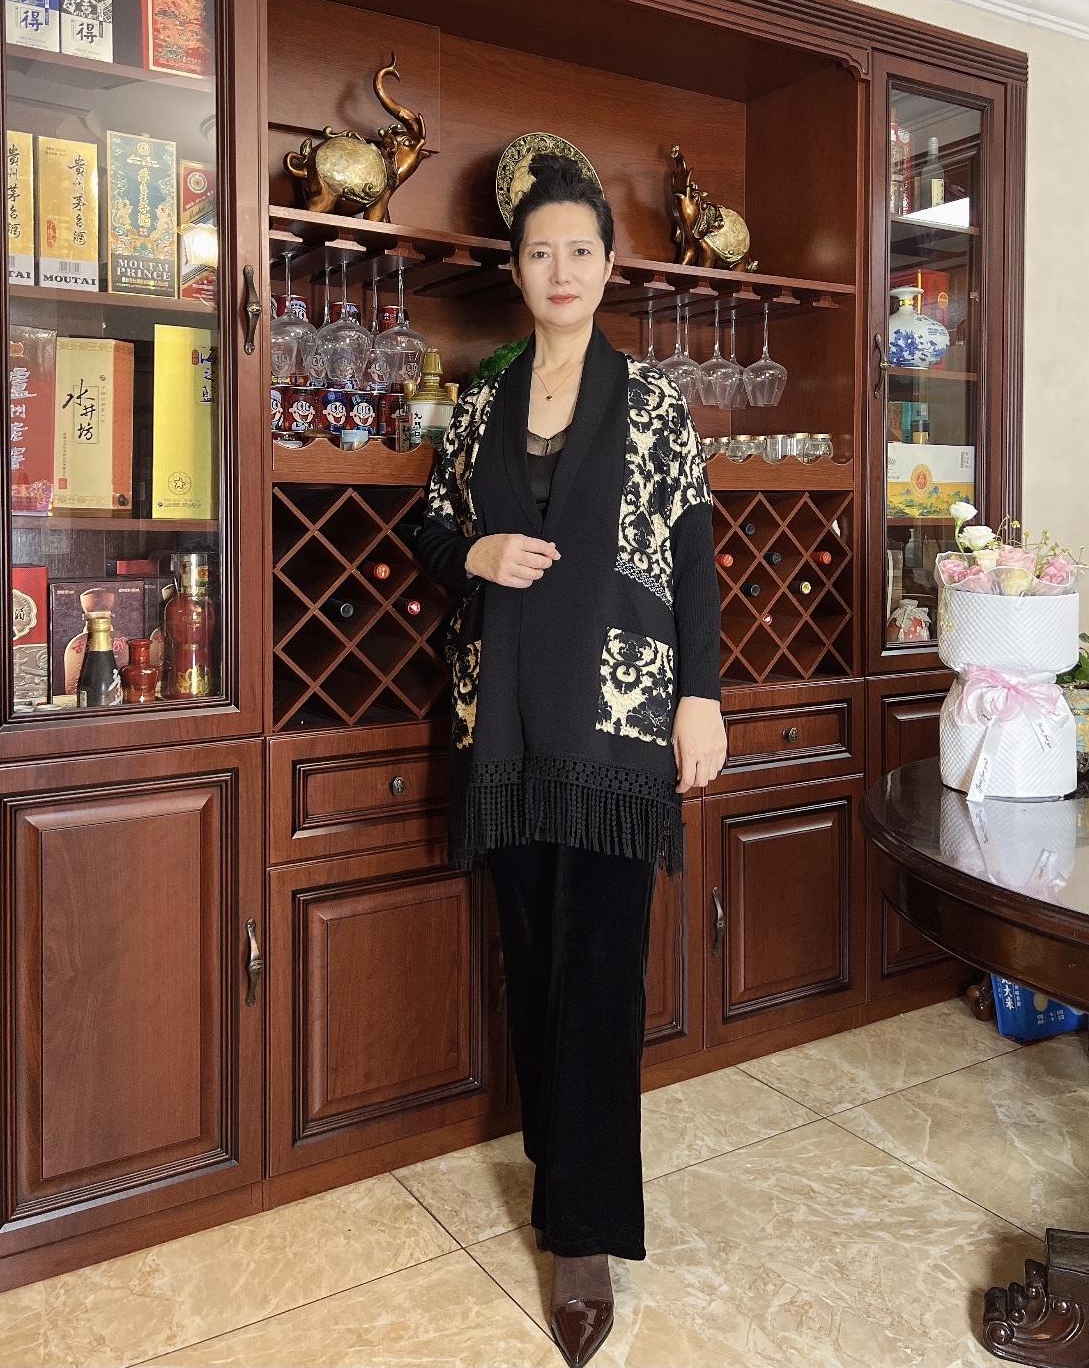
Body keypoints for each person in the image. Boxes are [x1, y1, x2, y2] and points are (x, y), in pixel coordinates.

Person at [411, 154, 725, 1367]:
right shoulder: (480, 402)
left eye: (579, 251)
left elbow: (692, 556)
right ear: (517, 266)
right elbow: (432, 528)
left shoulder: (654, 403)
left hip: (621, 720)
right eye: (540, 250)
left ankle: (583, 1233)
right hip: (503, 721)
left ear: (607, 267)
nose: (560, 269)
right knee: (530, 952)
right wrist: (476, 553)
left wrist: (702, 695)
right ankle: (560, 1163)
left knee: (597, 970)